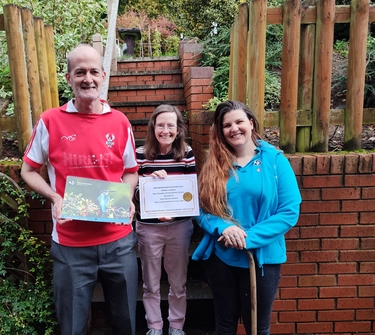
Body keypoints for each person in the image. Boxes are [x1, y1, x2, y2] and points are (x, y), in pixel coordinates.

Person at [21, 44, 139, 335]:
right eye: (80, 72)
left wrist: (128, 197)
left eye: (93, 72)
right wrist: (54, 196)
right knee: (72, 327)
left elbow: (130, 171)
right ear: (68, 78)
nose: (88, 79)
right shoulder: (50, 121)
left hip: (119, 243)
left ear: (104, 75)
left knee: (126, 323)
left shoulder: (120, 122)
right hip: (70, 245)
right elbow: (28, 170)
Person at [192, 100, 301, 335]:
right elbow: (201, 210)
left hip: (262, 260)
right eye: (226, 125)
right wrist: (223, 227)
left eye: (239, 121)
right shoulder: (214, 163)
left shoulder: (275, 161)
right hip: (221, 257)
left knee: (257, 327)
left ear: (251, 123)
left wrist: (247, 237)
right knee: (224, 324)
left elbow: (289, 211)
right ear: (220, 131)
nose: (234, 128)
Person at [135, 105, 196, 335]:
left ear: (179, 129)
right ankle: (155, 326)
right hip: (149, 228)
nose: (166, 130)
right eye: (161, 125)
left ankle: (177, 325)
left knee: (178, 281)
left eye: (171, 125)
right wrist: (149, 183)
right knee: (150, 281)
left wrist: (176, 213)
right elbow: (134, 194)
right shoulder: (140, 154)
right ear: (153, 127)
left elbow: (191, 194)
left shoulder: (187, 153)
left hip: (179, 226)